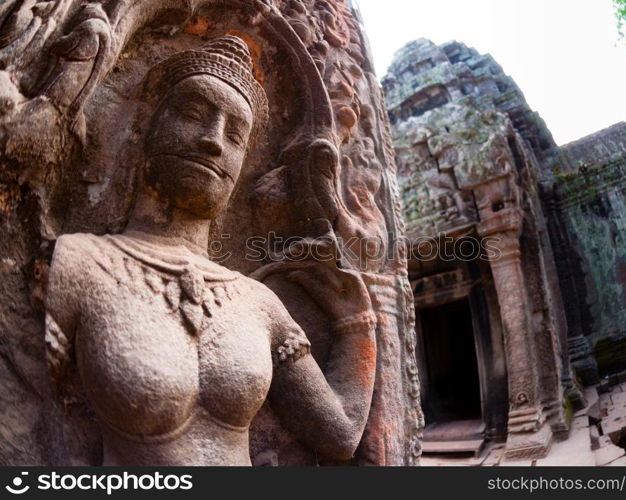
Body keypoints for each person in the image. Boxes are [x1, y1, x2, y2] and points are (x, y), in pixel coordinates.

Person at [44, 36, 377, 466]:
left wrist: (357, 323)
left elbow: (341, 434)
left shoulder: (258, 303)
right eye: (193, 114)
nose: (213, 142)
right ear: (147, 128)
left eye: (235, 135)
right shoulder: (78, 263)